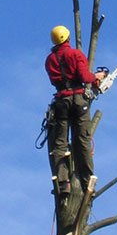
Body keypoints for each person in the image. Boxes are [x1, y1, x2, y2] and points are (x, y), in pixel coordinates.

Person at [44, 25, 106, 196]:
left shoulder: (49, 60)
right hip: (79, 100)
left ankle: (63, 183)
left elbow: (53, 81)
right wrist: (97, 78)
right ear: (68, 38)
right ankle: (88, 182)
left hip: (61, 101)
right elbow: (85, 77)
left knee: (60, 144)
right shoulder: (75, 54)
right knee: (82, 142)